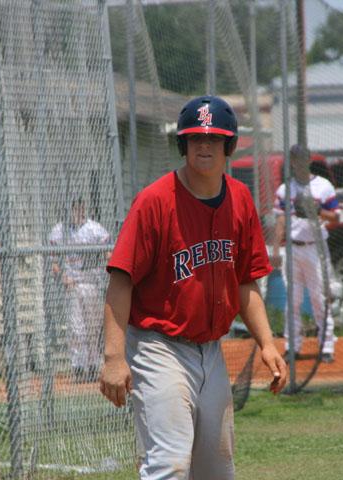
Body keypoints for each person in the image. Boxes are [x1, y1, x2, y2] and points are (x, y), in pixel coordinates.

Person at [99, 95, 287, 479]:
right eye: (196, 138)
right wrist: (114, 358)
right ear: (182, 145)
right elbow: (121, 279)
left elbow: (245, 281)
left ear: (229, 146)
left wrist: (267, 344)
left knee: (217, 469)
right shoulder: (154, 201)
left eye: (214, 138)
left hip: (211, 352)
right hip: (158, 347)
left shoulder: (240, 199)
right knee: (169, 463)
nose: (204, 146)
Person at [270, 145, 341, 363]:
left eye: (302, 158)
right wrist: (276, 250)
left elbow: (336, 217)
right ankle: (292, 347)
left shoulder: (323, 186)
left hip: (315, 247)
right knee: (293, 300)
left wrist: (317, 211)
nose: (299, 162)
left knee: (319, 298)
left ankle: (326, 347)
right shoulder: (285, 189)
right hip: (293, 248)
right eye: (295, 158)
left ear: (309, 160)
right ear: (291, 161)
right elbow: (280, 220)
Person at [49, 197, 111, 381]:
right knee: (76, 327)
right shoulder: (60, 231)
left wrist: (108, 272)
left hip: (92, 282)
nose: (78, 213)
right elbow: (53, 261)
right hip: (72, 284)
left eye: (81, 209)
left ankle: (92, 366)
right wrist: (63, 277)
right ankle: (78, 366)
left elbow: (109, 253)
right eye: (75, 209)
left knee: (93, 327)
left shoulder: (94, 229)